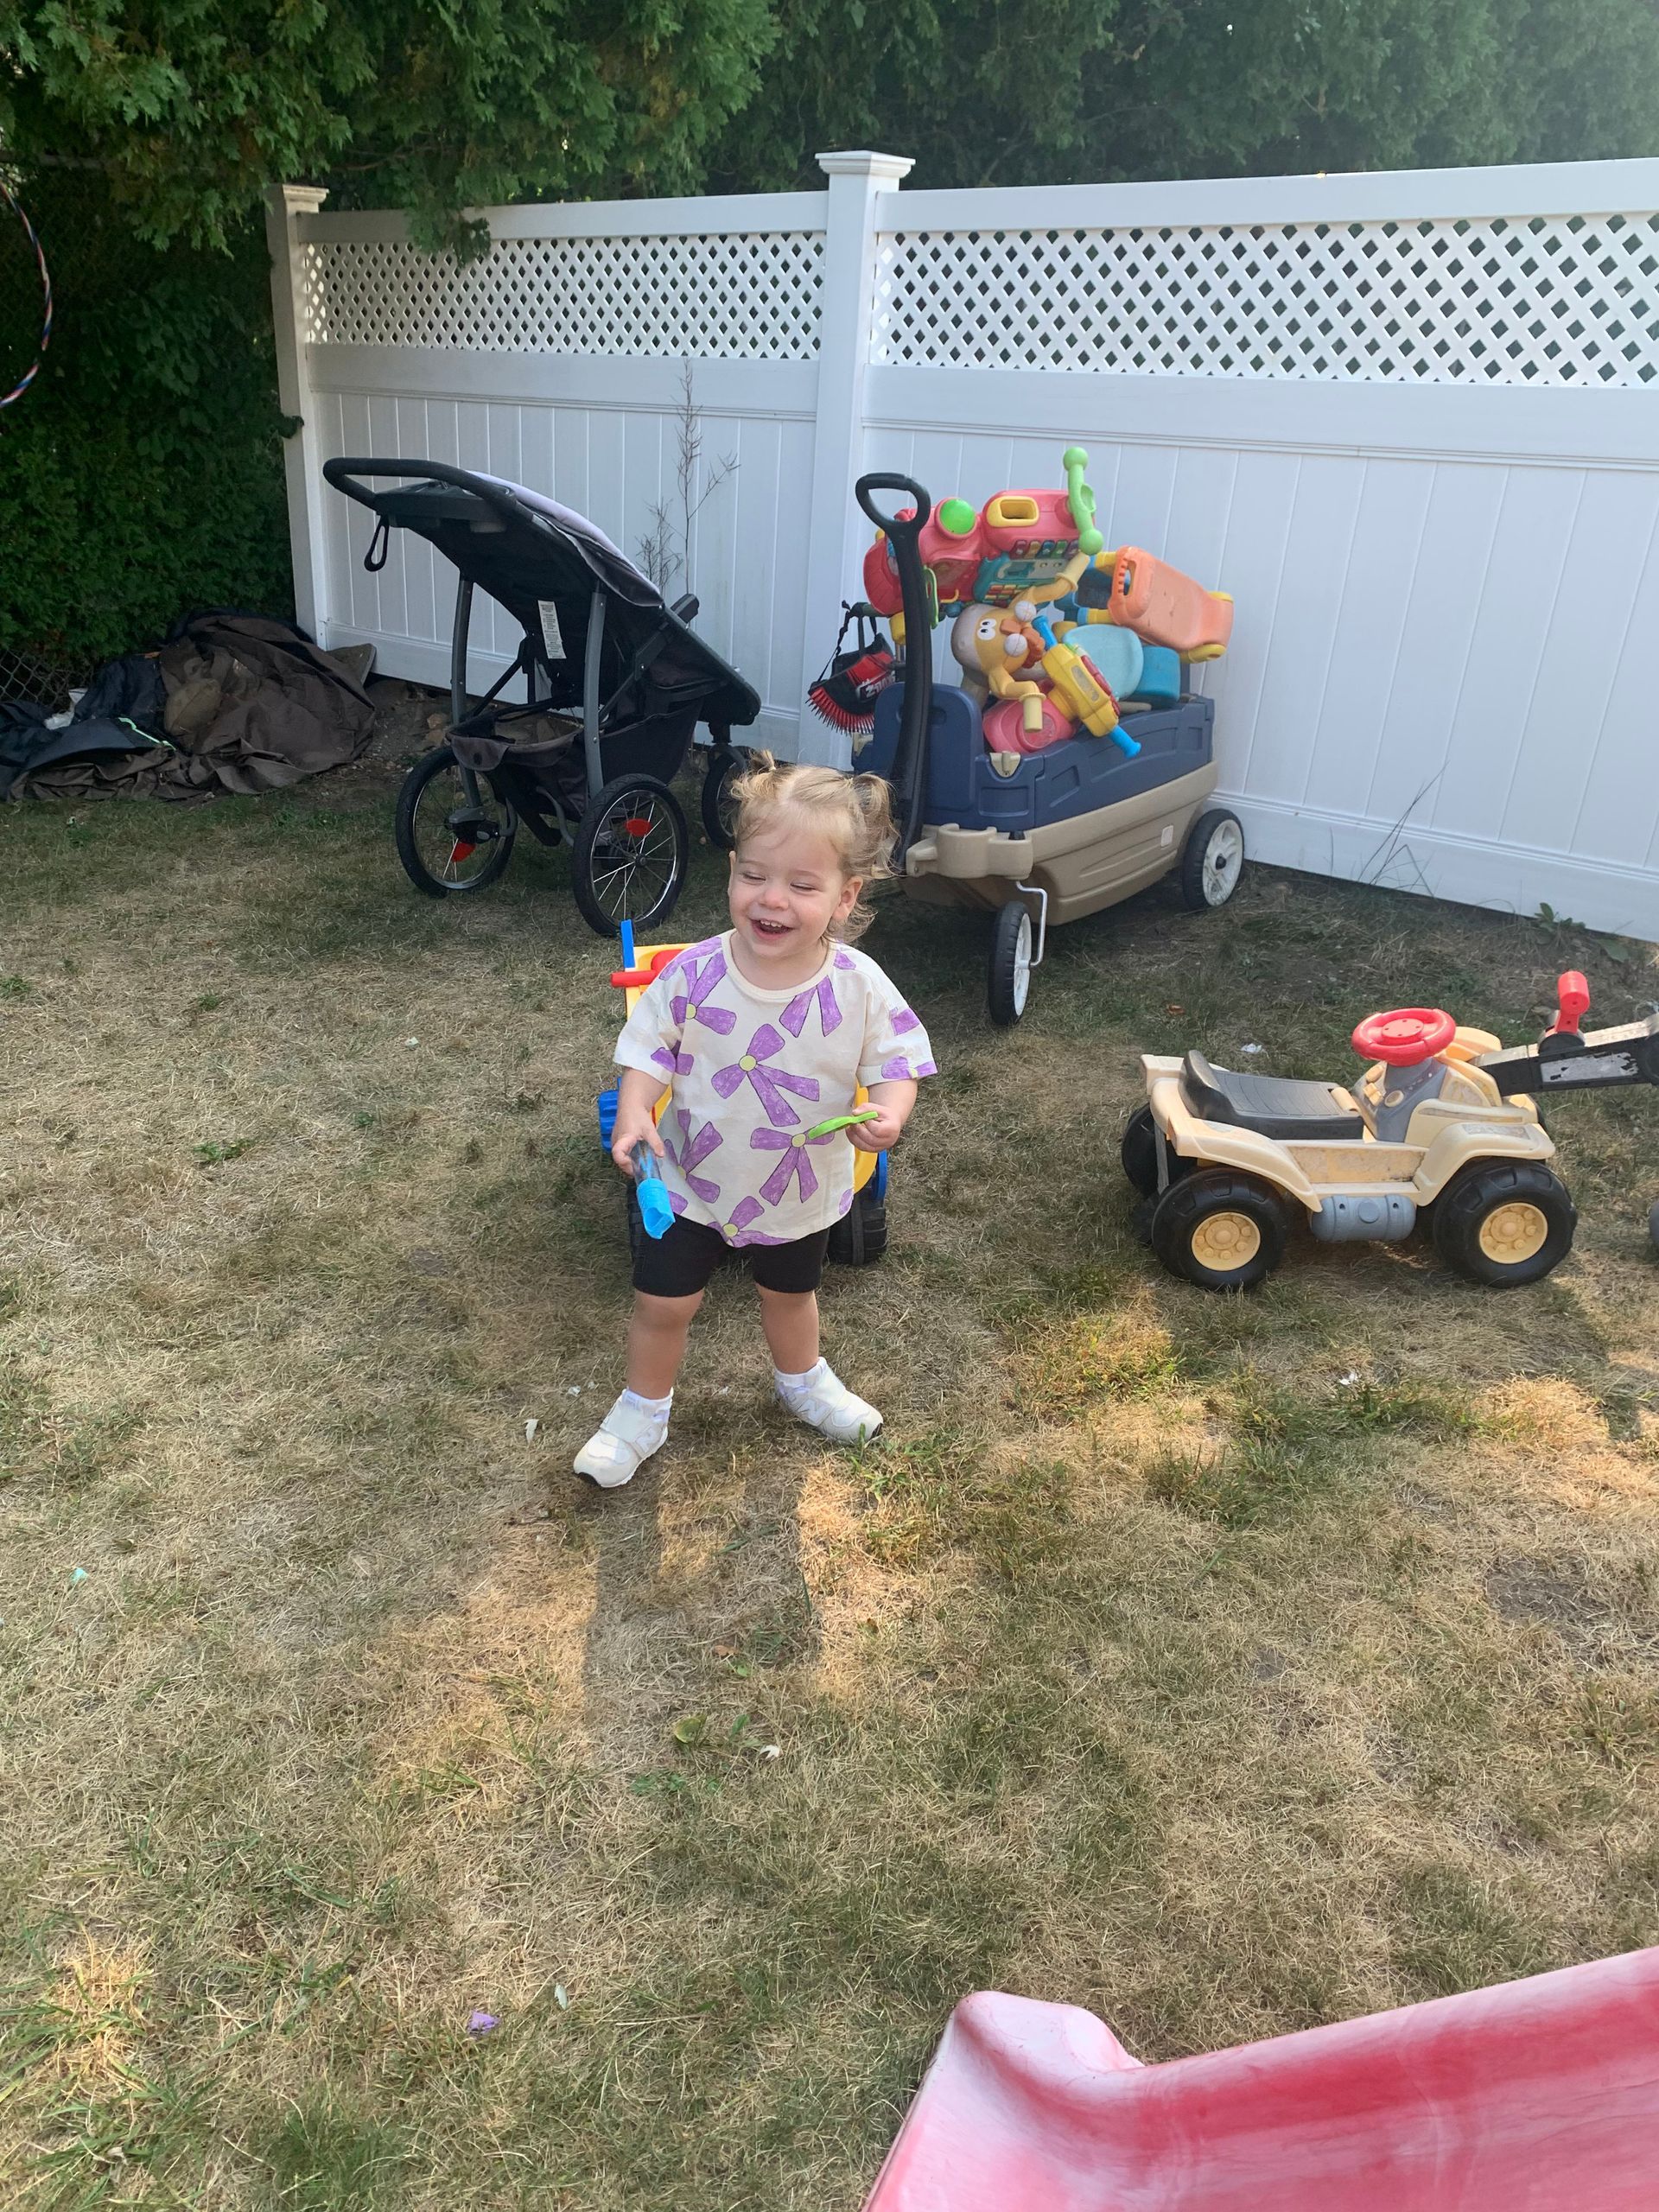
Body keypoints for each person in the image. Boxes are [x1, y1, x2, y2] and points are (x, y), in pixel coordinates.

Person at [575, 760, 936, 1489]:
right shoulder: (695, 972)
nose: (772, 899)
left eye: (803, 886)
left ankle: (802, 1382)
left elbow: (898, 1062)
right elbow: (651, 1049)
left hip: (798, 1188)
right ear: (733, 871)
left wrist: (889, 1115)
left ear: (845, 897)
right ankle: (642, 1411)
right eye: (755, 875)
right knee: (662, 1303)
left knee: (790, 1294)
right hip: (689, 1181)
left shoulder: (858, 985)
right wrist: (639, 1108)